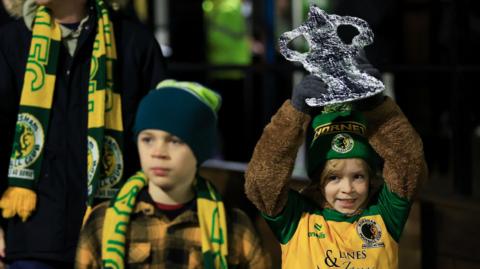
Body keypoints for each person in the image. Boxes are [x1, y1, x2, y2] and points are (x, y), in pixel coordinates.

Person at [0, 0, 166, 268]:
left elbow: (159, 139)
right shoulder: (9, 41)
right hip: (29, 241)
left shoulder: (135, 42)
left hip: (116, 239)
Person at [75, 80, 269, 269]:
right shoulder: (102, 221)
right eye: (148, 139)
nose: (158, 152)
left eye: (175, 141)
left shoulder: (234, 227)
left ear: (199, 150)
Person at [244, 71, 428, 268]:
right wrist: (293, 115)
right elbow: (263, 183)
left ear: (370, 177)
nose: (347, 188)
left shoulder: (385, 213)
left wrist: (376, 108)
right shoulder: (297, 218)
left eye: (358, 176)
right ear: (317, 179)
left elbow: (409, 166)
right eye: (334, 178)